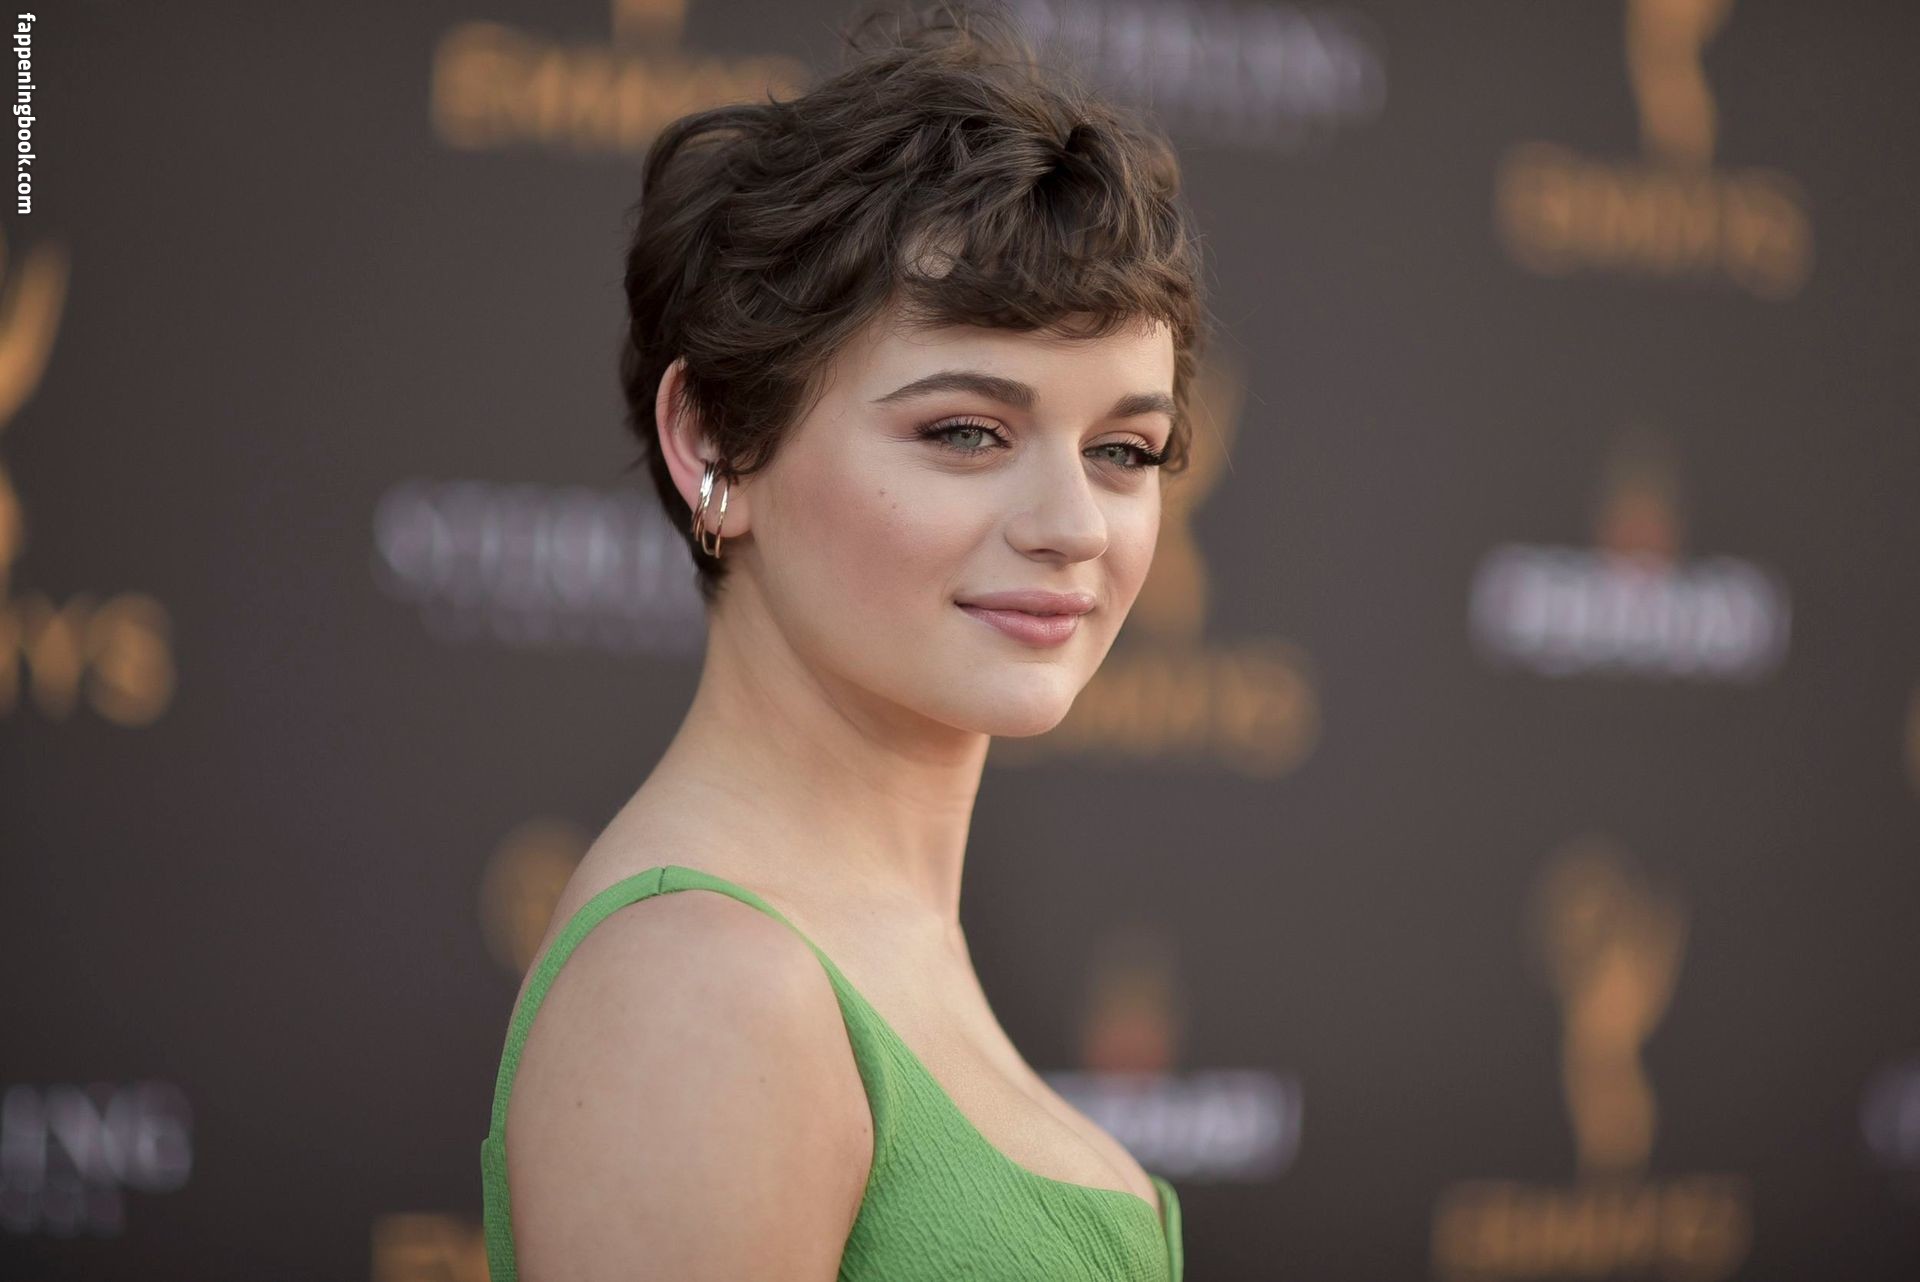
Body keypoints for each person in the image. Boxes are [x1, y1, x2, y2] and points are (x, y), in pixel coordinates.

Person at [480, 3, 1211, 1277]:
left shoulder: (854, 945)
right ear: (715, 439)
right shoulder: (700, 989)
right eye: (966, 431)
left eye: (1123, 450)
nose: (1072, 526)